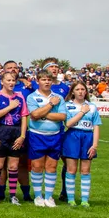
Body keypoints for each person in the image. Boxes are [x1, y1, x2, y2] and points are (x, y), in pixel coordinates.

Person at [0, 72, 28, 205]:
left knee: (13, 166)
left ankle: (13, 196)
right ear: (2, 82)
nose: (11, 83)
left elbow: (24, 117)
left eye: (13, 80)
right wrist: (10, 106)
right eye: (8, 80)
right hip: (1, 131)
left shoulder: (20, 97)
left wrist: (22, 135)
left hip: (16, 132)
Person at [27, 72, 67, 208]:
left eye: (49, 80)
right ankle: (38, 196)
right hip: (37, 135)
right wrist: (50, 105)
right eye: (43, 79)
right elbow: (34, 114)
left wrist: (42, 113)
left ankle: (49, 197)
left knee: (52, 166)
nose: (47, 82)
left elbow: (62, 116)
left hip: (55, 135)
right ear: (38, 81)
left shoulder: (59, 97)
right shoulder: (32, 97)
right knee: (37, 166)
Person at [62, 81, 99, 208]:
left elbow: (96, 126)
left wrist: (94, 145)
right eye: (77, 89)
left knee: (85, 170)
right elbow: (68, 124)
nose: (80, 91)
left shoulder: (92, 106)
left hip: (88, 137)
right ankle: (71, 199)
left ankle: (84, 200)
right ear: (73, 91)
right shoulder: (67, 105)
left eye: (83, 89)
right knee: (71, 169)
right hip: (72, 136)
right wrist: (82, 112)